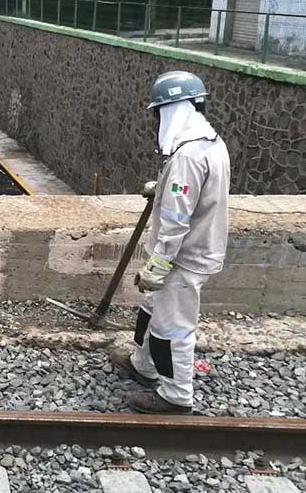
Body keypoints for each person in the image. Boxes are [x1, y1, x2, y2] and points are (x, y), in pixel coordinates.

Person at [112, 71, 230, 415]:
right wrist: (163, 186)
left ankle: (175, 396)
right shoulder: (209, 141)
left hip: (183, 256)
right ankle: (143, 365)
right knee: (151, 310)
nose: (156, 120)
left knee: (171, 328)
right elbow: (189, 194)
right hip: (193, 248)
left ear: (171, 110)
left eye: (159, 112)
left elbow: (178, 219)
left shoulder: (188, 157)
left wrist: (158, 265)